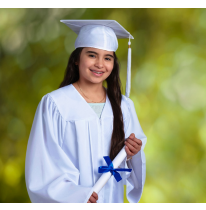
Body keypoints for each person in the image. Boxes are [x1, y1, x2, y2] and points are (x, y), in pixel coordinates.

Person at [25, 20, 146, 203]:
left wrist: (132, 153)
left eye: (107, 58)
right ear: (76, 59)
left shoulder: (123, 106)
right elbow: (43, 165)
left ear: (113, 63)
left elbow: (131, 164)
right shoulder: (55, 104)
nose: (100, 64)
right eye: (92, 55)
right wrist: (76, 196)